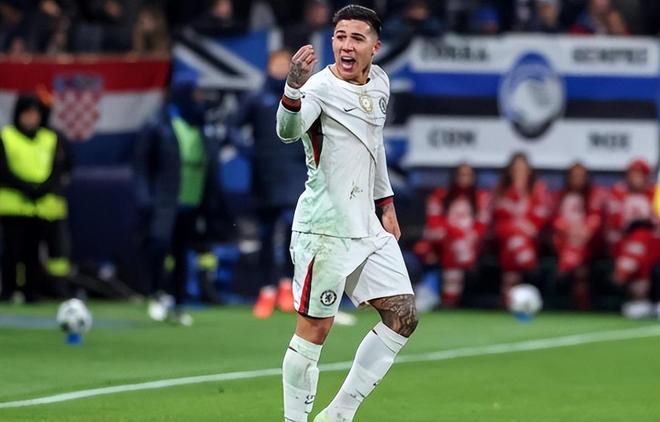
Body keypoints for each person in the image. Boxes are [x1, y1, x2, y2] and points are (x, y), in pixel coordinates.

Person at [276, 5, 417, 422]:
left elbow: (375, 145)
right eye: (340, 36)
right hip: (326, 229)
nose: (346, 46)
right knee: (315, 332)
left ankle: (338, 414)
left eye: (357, 38)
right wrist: (293, 88)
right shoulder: (318, 89)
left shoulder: (380, 83)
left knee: (403, 315)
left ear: (375, 46)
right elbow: (287, 131)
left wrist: (385, 203)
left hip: (367, 224)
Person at [134, 81, 219, 325]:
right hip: (165, 199)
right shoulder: (160, 124)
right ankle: (156, 294)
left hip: (192, 199)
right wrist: (145, 197)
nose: (199, 99)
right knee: (160, 245)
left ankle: (179, 301)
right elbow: (142, 163)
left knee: (182, 252)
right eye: (196, 94)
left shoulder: (202, 125)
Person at [229, 49, 306, 318]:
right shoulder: (256, 98)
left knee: (293, 231)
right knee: (265, 232)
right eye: (277, 64)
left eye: (285, 64)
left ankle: (287, 284)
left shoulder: (302, 96)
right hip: (265, 176)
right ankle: (266, 289)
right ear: (268, 66)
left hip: (294, 173)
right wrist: (249, 151)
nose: (281, 68)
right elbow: (232, 127)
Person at [0, 95, 71, 302]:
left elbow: (58, 168)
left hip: (41, 205)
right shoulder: (7, 136)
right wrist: (25, 188)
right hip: (13, 205)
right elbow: (3, 169)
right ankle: (9, 290)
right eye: (27, 113)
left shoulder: (50, 138)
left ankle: (32, 292)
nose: (31, 118)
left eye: (35, 114)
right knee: (11, 251)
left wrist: (42, 188)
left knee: (33, 251)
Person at [413, 163, 490, 307]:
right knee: (427, 249)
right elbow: (434, 224)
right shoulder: (440, 195)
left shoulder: (480, 197)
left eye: (468, 175)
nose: (464, 179)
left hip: (469, 245)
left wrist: (463, 238)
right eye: (461, 175)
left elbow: (481, 226)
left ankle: (448, 301)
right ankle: (433, 293)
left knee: (458, 246)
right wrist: (455, 234)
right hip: (442, 242)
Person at [492, 152, 550, 305]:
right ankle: (529, 269)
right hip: (506, 238)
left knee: (516, 243)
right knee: (513, 241)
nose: (519, 171)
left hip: (532, 238)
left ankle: (510, 299)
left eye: (522, 167)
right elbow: (499, 215)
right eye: (516, 168)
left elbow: (541, 215)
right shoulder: (502, 189)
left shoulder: (538, 188)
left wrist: (523, 228)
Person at [606, 159, 659, 318]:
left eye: (639, 175)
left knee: (643, 239)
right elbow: (616, 222)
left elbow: (655, 221)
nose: (635, 179)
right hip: (624, 241)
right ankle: (639, 300)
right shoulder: (618, 192)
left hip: (651, 242)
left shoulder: (654, 193)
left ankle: (624, 273)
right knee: (638, 241)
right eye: (632, 174)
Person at [551, 163, 607, 310]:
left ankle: (581, 303)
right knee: (571, 247)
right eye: (574, 176)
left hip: (589, 243)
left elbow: (596, 220)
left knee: (578, 253)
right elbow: (555, 220)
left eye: (581, 176)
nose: (577, 180)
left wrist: (583, 233)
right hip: (565, 240)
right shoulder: (559, 196)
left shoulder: (594, 196)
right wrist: (568, 231)